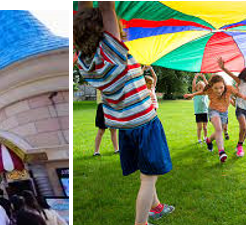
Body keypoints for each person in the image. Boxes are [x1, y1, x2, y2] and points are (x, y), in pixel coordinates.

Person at [77, 3, 175, 225]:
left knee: (146, 168)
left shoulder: (84, 62)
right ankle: (141, 222)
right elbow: (106, 7)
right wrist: (106, 12)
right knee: (149, 177)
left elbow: (88, 14)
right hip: (145, 122)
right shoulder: (112, 52)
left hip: (126, 126)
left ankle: (157, 207)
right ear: (105, 31)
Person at [185, 74, 246, 162]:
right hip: (213, 111)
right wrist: (192, 95)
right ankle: (221, 152)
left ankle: (209, 140)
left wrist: (243, 97)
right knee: (218, 128)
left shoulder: (229, 88)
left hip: (224, 113)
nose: (219, 91)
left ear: (224, 85)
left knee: (219, 131)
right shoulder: (209, 90)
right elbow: (201, 92)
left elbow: (237, 93)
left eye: (221, 87)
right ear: (212, 87)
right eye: (216, 88)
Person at [92, 90, 119, 156]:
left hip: (111, 106)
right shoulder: (100, 82)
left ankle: (116, 149)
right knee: (101, 130)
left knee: (113, 129)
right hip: (102, 106)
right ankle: (96, 151)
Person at [190, 73, 210, 145]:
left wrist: (203, 77)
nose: (201, 88)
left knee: (205, 127)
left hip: (205, 112)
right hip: (198, 113)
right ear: (196, 88)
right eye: (199, 87)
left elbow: (208, 86)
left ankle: (205, 137)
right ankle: (199, 139)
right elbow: (193, 85)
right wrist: (195, 76)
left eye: (202, 87)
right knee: (199, 127)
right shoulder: (194, 94)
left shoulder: (206, 94)